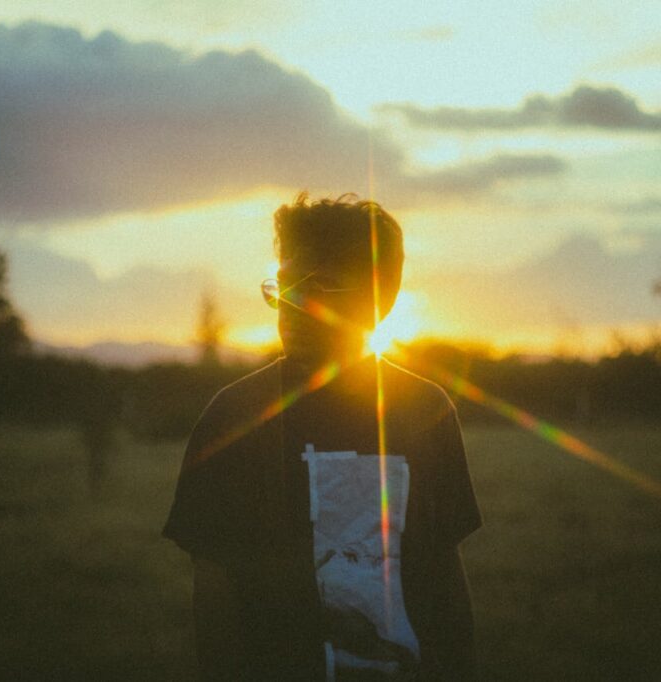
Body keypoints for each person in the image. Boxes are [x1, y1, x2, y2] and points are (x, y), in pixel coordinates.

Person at [163, 193, 482, 680]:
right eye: (283, 288)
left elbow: (443, 577)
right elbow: (214, 596)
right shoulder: (234, 418)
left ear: (377, 303)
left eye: (319, 289)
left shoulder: (424, 410)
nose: (291, 308)